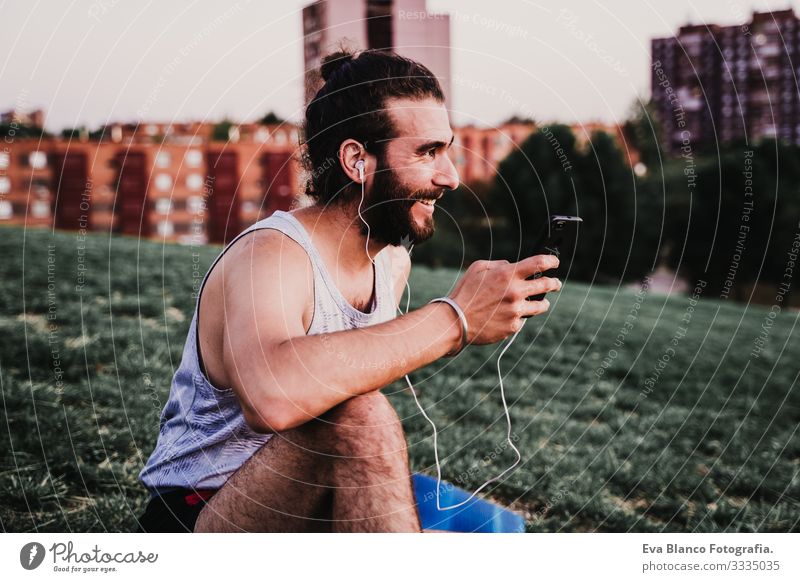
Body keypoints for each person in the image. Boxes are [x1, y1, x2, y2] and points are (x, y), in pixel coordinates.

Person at [136, 48, 561, 533]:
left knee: (493, 529)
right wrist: (455, 318)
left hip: (311, 504)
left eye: (447, 151)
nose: (451, 177)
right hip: (202, 514)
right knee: (363, 421)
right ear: (357, 160)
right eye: (428, 152)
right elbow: (272, 397)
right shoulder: (270, 254)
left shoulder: (392, 264)